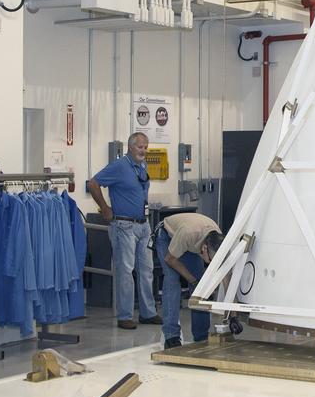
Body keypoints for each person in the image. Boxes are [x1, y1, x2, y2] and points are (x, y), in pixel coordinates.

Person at [86, 133, 159, 330]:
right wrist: (105, 208)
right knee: (126, 271)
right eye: (140, 147)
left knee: (147, 270)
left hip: (143, 225)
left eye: (146, 147)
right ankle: (125, 315)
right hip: (124, 226)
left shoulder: (142, 166)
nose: (143, 150)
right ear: (130, 147)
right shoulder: (119, 166)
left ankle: (148, 313)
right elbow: (93, 183)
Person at [157, 211, 223, 348]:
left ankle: (201, 337)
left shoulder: (218, 241)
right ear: (204, 249)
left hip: (190, 243)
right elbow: (170, 259)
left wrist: (233, 315)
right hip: (168, 236)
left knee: (201, 287)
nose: (210, 265)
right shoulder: (188, 233)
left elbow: (227, 277)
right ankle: (171, 336)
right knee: (172, 280)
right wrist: (192, 280)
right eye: (210, 261)